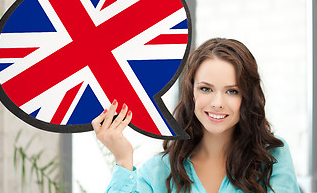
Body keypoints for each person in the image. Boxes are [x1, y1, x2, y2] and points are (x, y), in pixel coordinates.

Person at [92, 38, 300, 193]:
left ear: (247, 96)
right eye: (206, 89)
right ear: (191, 92)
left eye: (232, 91)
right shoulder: (158, 171)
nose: (217, 103)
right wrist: (122, 159)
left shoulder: (273, 156)